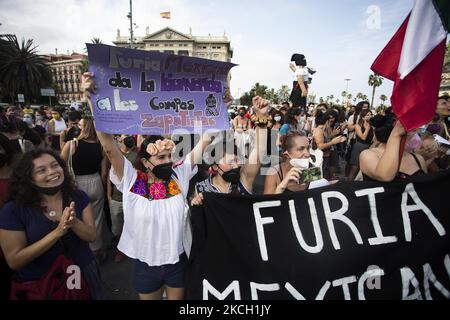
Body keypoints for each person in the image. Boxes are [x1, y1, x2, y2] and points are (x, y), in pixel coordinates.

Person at [82, 72, 216, 300]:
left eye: (168, 156)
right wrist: (92, 101)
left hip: (178, 262)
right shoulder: (133, 180)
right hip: (146, 265)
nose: (167, 161)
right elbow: (107, 145)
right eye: (160, 158)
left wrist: (219, 108)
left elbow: (206, 139)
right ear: (145, 162)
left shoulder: (179, 174)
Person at [0, 149, 102, 299]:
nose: (52, 172)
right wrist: (57, 232)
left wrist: (73, 222)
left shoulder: (78, 197)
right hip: (41, 283)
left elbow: (92, 236)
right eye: (42, 170)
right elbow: (14, 260)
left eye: (55, 165)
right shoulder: (14, 210)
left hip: (82, 271)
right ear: (29, 178)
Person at [191, 97, 270, 204]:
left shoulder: (244, 179)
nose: (236, 166)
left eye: (237, 161)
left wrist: (261, 117)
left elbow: (260, 148)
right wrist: (195, 202)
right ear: (215, 166)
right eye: (230, 162)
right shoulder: (201, 188)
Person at [60, 116, 109, 262]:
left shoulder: (72, 144)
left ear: (83, 127)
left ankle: (82, 250)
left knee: (79, 219)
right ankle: (96, 249)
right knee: (97, 218)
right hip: (95, 181)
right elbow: (104, 171)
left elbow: (61, 165)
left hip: (77, 183)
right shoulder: (100, 145)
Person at [360, 113, 427, 182]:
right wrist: (395, 135)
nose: (414, 131)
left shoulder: (418, 158)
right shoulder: (367, 155)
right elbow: (384, 176)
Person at [106, 135, 138, 263]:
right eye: (126, 135)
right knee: (117, 227)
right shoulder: (115, 154)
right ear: (119, 138)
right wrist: (108, 195)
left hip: (133, 197)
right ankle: (121, 248)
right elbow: (108, 176)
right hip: (117, 198)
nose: (130, 137)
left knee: (132, 224)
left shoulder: (138, 154)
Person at [347, 110, 373, 181]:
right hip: (359, 147)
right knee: (354, 168)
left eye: (371, 114)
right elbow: (363, 137)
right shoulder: (357, 126)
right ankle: (348, 184)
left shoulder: (372, 126)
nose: (370, 116)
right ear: (363, 117)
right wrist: (367, 128)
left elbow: (373, 138)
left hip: (368, 148)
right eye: (368, 115)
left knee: (363, 170)